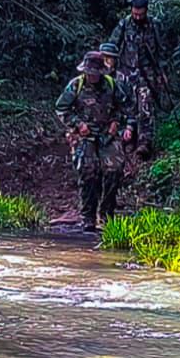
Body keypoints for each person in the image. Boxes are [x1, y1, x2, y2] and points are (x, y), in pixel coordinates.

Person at [55, 51, 132, 232]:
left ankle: (107, 215)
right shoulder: (76, 85)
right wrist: (77, 123)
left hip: (107, 135)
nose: (92, 76)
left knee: (114, 170)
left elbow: (126, 108)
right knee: (88, 173)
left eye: (95, 73)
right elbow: (61, 108)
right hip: (85, 136)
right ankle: (88, 217)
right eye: (89, 73)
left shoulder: (112, 85)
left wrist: (117, 122)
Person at [108, 0, 165, 158]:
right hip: (125, 72)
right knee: (126, 106)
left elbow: (161, 49)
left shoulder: (154, 25)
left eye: (140, 14)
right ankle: (127, 138)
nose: (137, 17)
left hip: (147, 73)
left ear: (146, 11)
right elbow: (113, 45)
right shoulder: (124, 24)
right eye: (135, 14)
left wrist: (162, 73)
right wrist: (109, 67)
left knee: (145, 106)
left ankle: (144, 142)